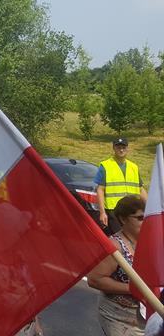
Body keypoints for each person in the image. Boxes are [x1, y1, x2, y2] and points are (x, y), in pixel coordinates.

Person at [88, 195, 147, 335]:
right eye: (140, 218)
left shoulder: (149, 240)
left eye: (147, 217)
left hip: (145, 316)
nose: (146, 221)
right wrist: (133, 289)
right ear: (123, 219)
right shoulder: (114, 246)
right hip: (118, 317)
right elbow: (94, 280)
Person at [96, 138, 147, 234]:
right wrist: (102, 212)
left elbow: (140, 189)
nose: (121, 150)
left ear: (127, 148)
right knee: (119, 236)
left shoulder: (134, 167)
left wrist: (150, 208)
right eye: (118, 147)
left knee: (133, 235)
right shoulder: (105, 166)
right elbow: (100, 190)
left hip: (132, 210)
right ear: (114, 148)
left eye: (123, 147)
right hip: (114, 211)